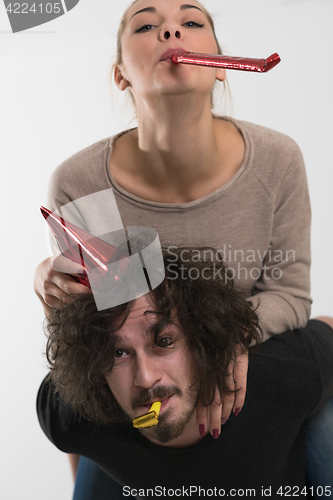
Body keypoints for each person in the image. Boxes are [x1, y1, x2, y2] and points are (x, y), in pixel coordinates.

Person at [33, 0, 333, 493]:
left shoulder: (278, 161)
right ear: (120, 75)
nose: (171, 30)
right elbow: (102, 339)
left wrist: (224, 344)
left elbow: (292, 298)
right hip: (146, 410)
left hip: (251, 381)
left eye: (191, 22)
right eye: (147, 25)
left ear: (219, 67)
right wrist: (50, 288)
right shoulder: (80, 184)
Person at [37, 248, 333, 499]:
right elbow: (73, 432)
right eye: (118, 353)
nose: (146, 378)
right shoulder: (68, 417)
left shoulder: (284, 374)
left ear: (201, 339)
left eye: (164, 341)